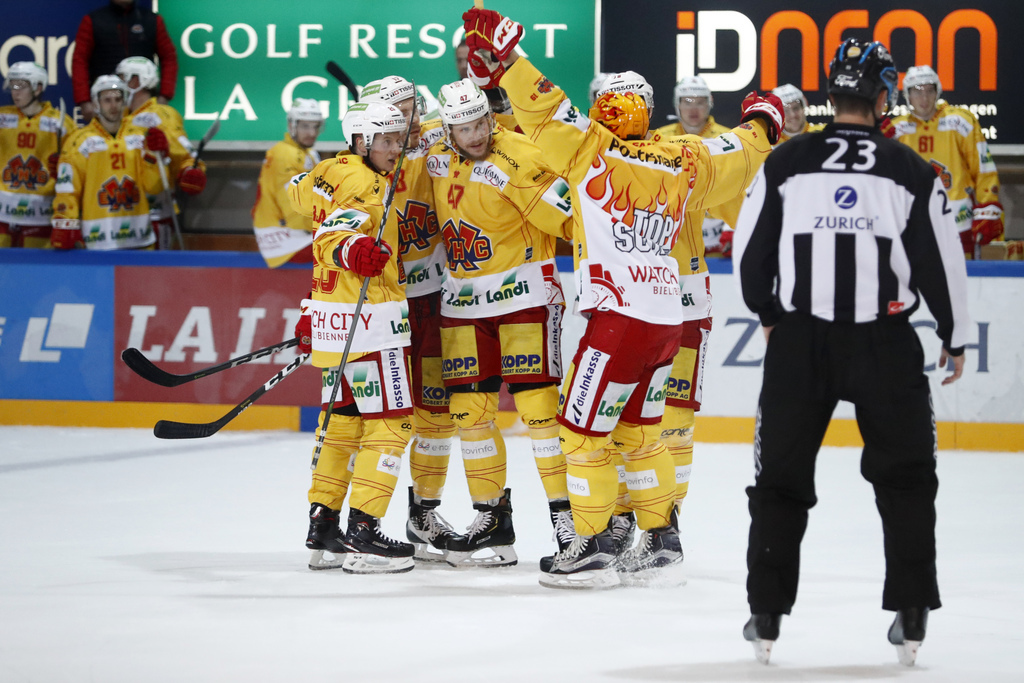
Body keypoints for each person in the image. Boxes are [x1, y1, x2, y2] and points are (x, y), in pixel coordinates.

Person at [462, 5, 781, 588]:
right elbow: (740, 153)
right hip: (665, 321)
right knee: (639, 431)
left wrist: (508, 60)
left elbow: (544, 107)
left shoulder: (592, 149)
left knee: (580, 432)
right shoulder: (684, 158)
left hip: (617, 321)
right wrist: (765, 122)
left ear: (606, 113)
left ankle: (588, 545)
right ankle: (661, 542)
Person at [732, 39, 970, 666]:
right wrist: (954, 333)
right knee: (908, 480)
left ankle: (766, 613)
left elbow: (748, 248)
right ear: (884, 95)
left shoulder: (784, 162)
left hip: (801, 339)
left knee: (779, 480)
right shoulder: (912, 170)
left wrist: (768, 314)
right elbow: (941, 260)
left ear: (831, 94)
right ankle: (912, 610)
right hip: (885, 340)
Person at [425, 78, 574, 568]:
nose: (474, 135)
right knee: (470, 417)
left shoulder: (520, 157)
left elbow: (571, 219)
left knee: (540, 416)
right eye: (462, 128)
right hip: (462, 306)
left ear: (493, 116)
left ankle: (567, 523)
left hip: (523, 299)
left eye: (481, 123)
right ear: (447, 127)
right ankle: (493, 523)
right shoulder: (434, 153)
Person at [287, 100, 418, 574]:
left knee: (341, 425)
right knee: (392, 425)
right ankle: (364, 530)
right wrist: (352, 249)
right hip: (370, 321)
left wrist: (314, 302)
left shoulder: (325, 169)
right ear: (360, 140)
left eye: (397, 138)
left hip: (332, 319)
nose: (394, 148)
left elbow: (296, 192)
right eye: (384, 140)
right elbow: (331, 239)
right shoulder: (367, 184)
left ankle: (324, 525)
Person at [358, 75, 461, 563]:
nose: (410, 118)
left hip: (436, 299)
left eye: (414, 107)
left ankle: (423, 512)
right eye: (397, 113)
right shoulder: (354, 172)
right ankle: (347, 522)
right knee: (373, 420)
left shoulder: (440, 139)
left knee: (436, 412)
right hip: (384, 306)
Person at [892, 65, 1003, 258]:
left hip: (959, 221)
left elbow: (983, 169)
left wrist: (986, 207)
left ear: (938, 91)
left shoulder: (960, 121)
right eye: (917, 92)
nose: (924, 99)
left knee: (963, 282)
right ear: (907, 95)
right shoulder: (895, 130)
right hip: (912, 223)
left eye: (929, 91)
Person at [50, 75, 164, 250]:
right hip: (99, 241)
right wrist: (65, 223)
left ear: (125, 101)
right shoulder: (79, 141)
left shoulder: (141, 136)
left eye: (118, 99)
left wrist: (156, 156)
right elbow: (67, 191)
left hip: (140, 238)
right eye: (107, 100)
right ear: (96, 104)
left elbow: (153, 187)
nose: (113, 106)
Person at [117, 56, 206, 249]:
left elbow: (185, 154)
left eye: (122, 77)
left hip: (154, 217)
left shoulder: (161, 115)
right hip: (120, 214)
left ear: (136, 81)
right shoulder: (118, 117)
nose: (117, 84)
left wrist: (191, 170)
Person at [656, 76, 734, 257]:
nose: (693, 109)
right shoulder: (659, 138)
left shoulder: (728, 138)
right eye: (687, 102)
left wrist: (731, 228)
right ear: (677, 104)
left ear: (710, 104)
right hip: (674, 238)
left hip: (719, 240)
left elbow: (739, 185)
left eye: (700, 102)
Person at [0, 62, 76, 248]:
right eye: (12, 86)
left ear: (38, 87)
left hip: (41, 217)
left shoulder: (62, 123)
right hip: (2, 215)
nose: (15, 92)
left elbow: (77, 169)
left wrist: (65, 167)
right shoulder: (2, 118)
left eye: (21, 86)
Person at [72, 0, 178, 123]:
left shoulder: (152, 20)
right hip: (107, 101)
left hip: (143, 103)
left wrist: (164, 96)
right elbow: (79, 61)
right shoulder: (92, 20)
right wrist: (84, 101)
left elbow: (169, 57)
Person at [252, 98, 323, 267]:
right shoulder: (284, 154)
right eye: (305, 126)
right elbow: (293, 207)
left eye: (315, 126)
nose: (311, 133)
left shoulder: (309, 153)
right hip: (284, 236)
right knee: (351, 248)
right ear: (292, 126)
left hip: (296, 231)